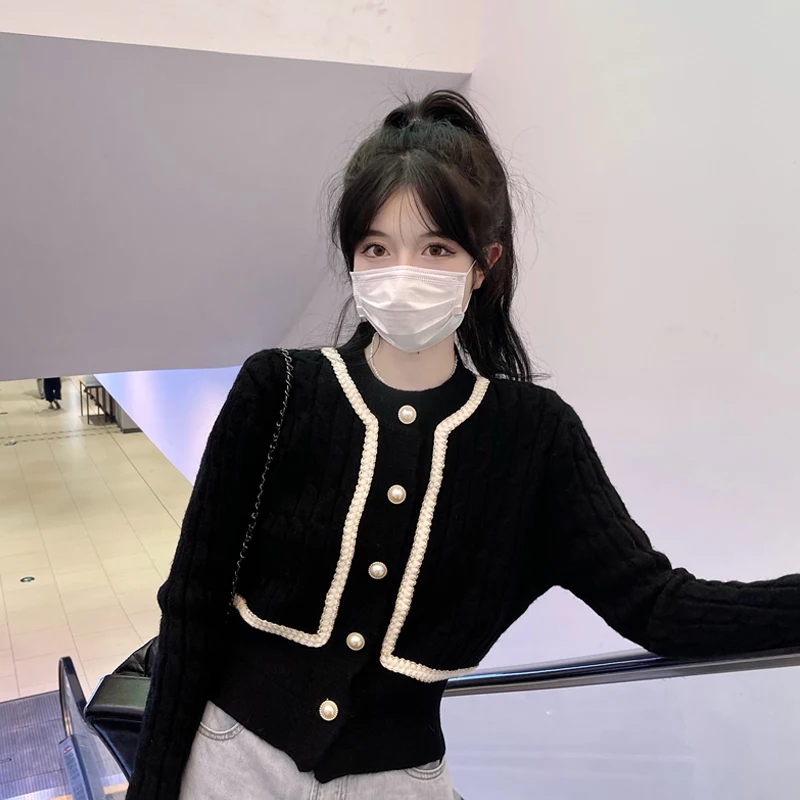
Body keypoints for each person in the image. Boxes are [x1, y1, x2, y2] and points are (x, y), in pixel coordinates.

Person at [128, 91, 800, 800]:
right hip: (230, 760)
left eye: (437, 249)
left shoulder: (534, 436)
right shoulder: (280, 389)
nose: (402, 272)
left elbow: (657, 605)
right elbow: (193, 601)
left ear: (484, 264)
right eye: (376, 248)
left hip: (398, 782)